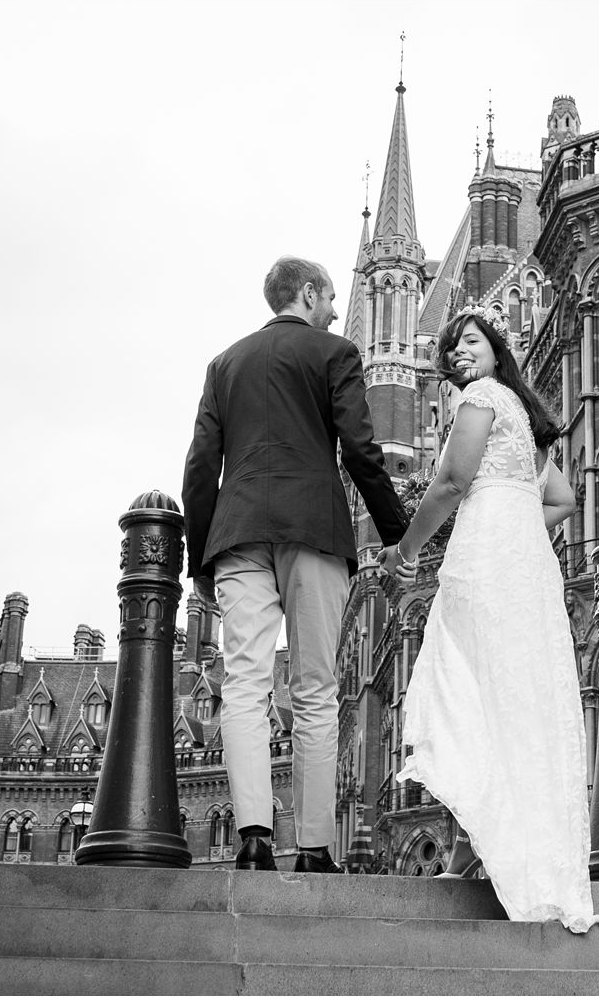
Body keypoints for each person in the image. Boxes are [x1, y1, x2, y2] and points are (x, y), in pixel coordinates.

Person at [379, 307, 599, 934]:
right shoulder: (519, 415)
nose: (458, 352)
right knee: (516, 698)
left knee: (470, 693)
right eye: (450, 348)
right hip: (526, 569)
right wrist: (517, 527)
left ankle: (470, 846)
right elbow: (564, 501)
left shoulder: (482, 398)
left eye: (471, 341)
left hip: (486, 561)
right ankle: (483, 848)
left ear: (495, 351)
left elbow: (453, 480)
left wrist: (405, 552)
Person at [183, 256, 411, 874]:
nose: (337, 310)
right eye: (332, 296)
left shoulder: (224, 364)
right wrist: (400, 534)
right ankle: (313, 848)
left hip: (237, 537)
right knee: (315, 691)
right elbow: (363, 453)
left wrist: (199, 555)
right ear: (307, 293)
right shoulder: (334, 354)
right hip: (314, 529)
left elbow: (201, 465)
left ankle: (253, 838)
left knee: (245, 688)